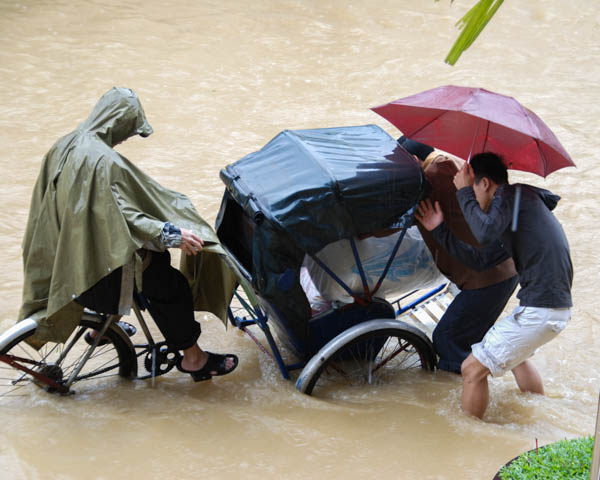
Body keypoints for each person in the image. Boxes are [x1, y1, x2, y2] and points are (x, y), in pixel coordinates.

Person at [20, 87, 238, 382]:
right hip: (95, 278)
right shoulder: (102, 161)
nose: (124, 139)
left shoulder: (65, 144)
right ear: (116, 123)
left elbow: (96, 213)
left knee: (146, 259)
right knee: (170, 285)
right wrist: (171, 234)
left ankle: (102, 328)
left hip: (65, 259)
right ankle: (195, 359)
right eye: (127, 131)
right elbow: (124, 217)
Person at [416, 152, 573, 419]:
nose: (472, 200)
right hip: (550, 308)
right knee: (517, 357)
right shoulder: (517, 208)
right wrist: (438, 228)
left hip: (542, 309)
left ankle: (470, 433)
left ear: (485, 183)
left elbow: (483, 232)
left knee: (471, 369)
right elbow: (480, 261)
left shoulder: (512, 199)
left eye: (474, 189)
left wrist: (463, 191)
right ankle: (537, 413)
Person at [400, 138, 518, 374]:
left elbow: (397, 214)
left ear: (414, 160)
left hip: (486, 277)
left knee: (446, 339)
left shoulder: (431, 178)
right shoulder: (452, 164)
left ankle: (472, 386)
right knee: (476, 337)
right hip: (499, 268)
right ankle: (508, 366)